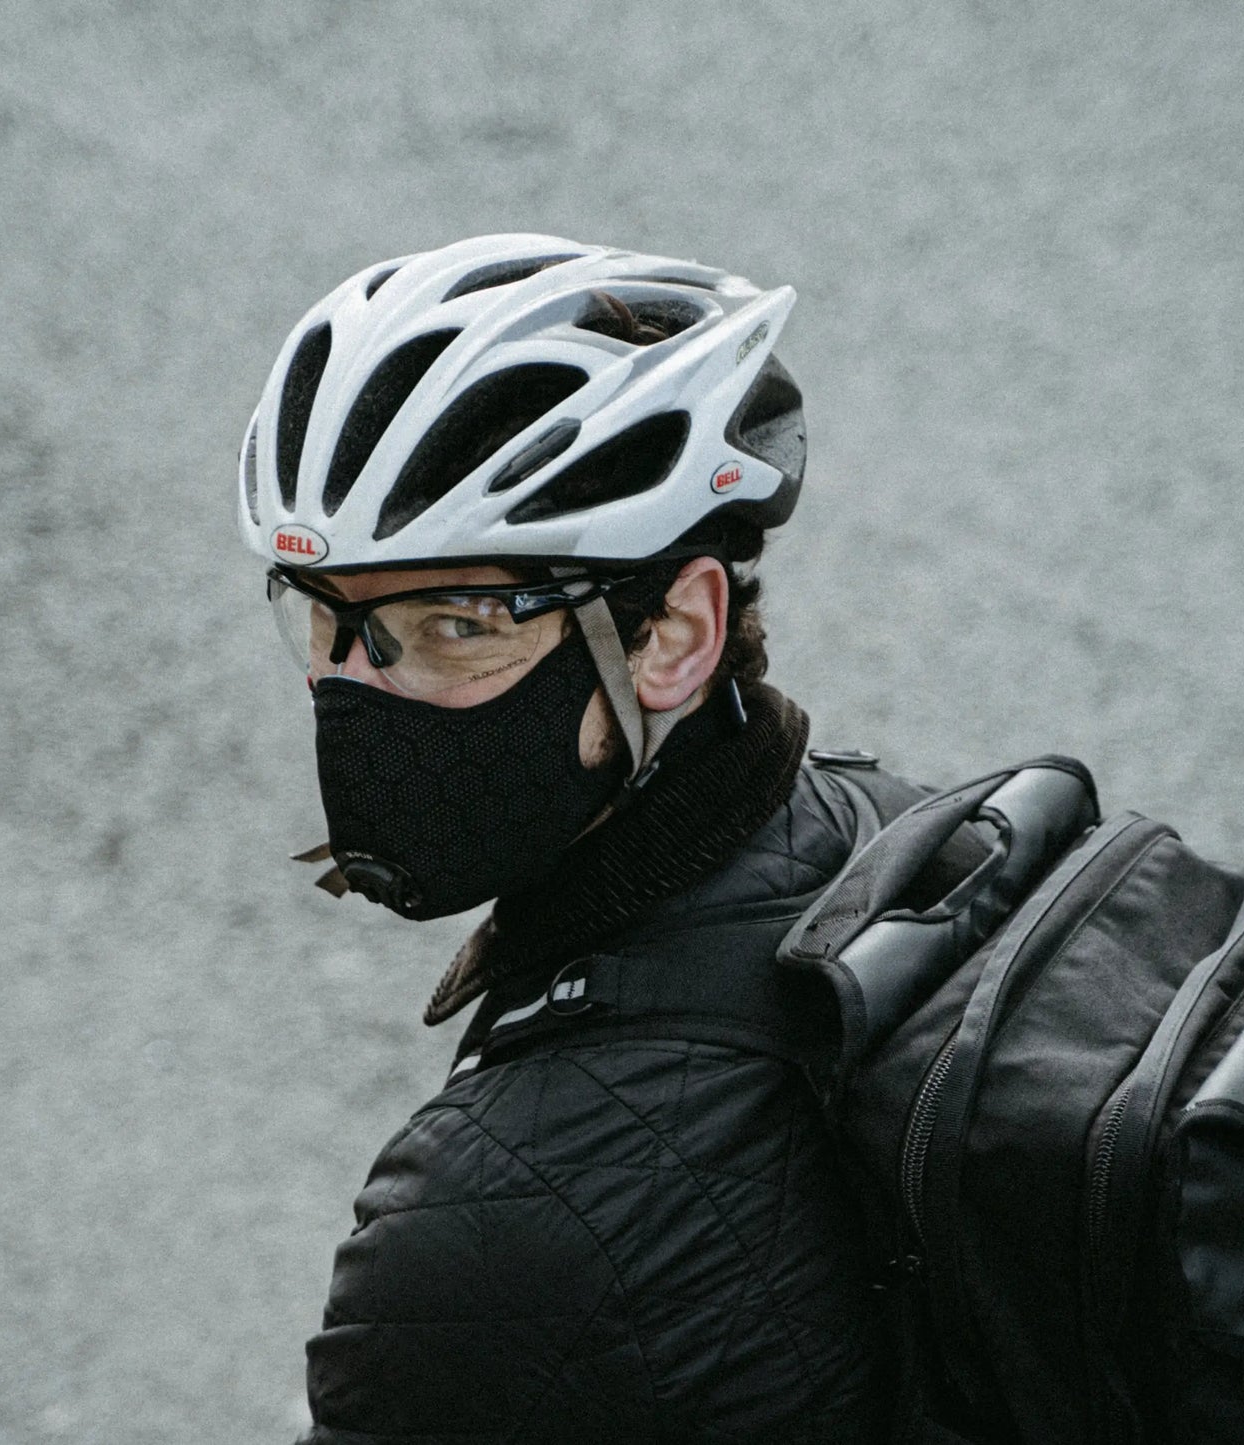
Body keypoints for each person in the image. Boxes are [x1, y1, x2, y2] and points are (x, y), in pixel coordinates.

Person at [240, 235, 901, 1443]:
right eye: (325, 620)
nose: (356, 699)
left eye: (454, 623)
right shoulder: (892, 828)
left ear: (674, 634)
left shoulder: (483, 1235)